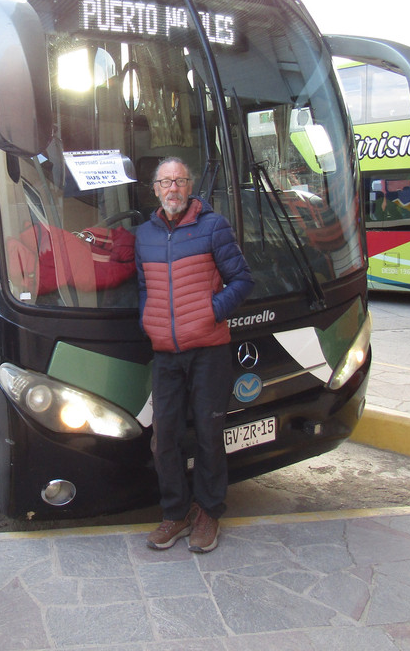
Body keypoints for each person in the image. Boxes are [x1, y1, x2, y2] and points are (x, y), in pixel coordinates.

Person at [134, 157, 253, 554]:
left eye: (180, 181)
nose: (173, 189)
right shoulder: (145, 235)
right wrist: (149, 320)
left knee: (207, 434)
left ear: (189, 187)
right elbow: (143, 288)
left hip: (208, 351)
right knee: (163, 436)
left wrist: (210, 312)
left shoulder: (212, 227)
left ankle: (208, 513)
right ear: (155, 189)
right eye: (165, 182)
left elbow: (242, 280)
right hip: (166, 353)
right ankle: (175, 512)